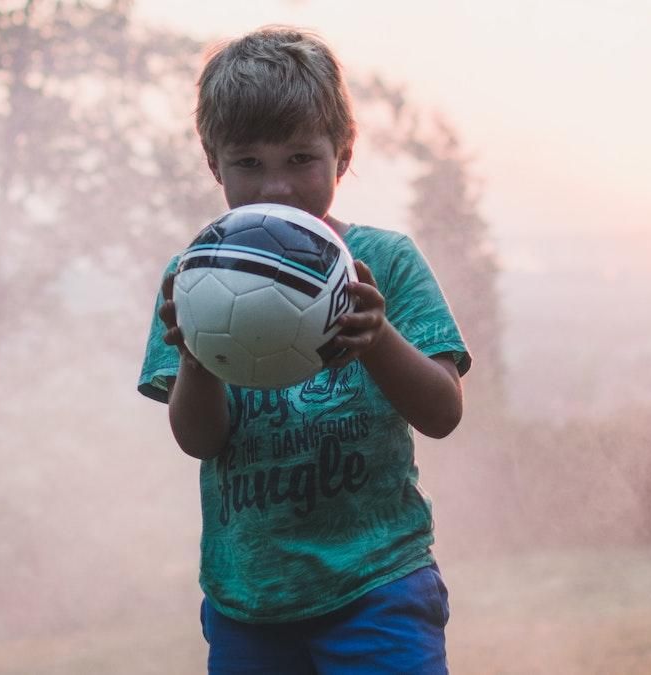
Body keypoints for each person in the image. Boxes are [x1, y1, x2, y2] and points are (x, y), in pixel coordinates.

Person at [137, 25, 471, 675]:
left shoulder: (385, 261)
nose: (277, 187)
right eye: (248, 163)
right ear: (214, 162)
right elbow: (200, 440)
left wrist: (376, 338)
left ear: (342, 153)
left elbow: (443, 412)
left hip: (379, 583)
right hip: (249, 598)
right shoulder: (195, 278)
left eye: (299, 159)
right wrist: (198, 359)